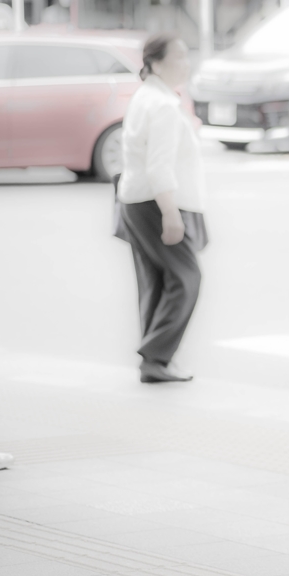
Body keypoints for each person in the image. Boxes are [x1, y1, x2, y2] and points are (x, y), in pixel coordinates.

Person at [115, 34, 207, 383]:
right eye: (179, 56)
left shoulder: (148, 97)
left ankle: (155, 361)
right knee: (186, 278)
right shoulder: (163, 105)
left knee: (158, 280)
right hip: (157, 202)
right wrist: (170, 213)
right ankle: (155, 355)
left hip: (137, 200)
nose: (186, 63)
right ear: (155, 63)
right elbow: (159, 165)